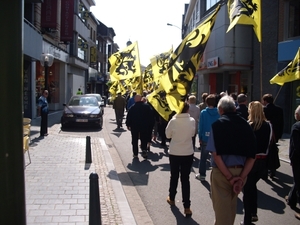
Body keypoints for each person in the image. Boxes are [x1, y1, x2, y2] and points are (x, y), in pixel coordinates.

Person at [206, 95, 256, 225]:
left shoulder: (217, 125)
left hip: (222, 173)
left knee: (222, 213)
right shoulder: (246, 125)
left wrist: (229, 177)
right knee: (231, 209)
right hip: (241, 172)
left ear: (221, 110)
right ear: (234, 109)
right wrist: (241, 177)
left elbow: (216, 155)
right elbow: (252, 157)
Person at [241, 101, 272, 225]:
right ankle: (253, 212)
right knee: (252, 187)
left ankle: (247, 218)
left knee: (248, 190)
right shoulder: (269, 125)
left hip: (250, 161)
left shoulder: (249, 125)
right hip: (263, 161)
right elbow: (270, 143)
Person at [165, 102, 195, 217]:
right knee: (185, 179)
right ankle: (187, 206)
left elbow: (168, 135)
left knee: (174, 176)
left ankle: (172, 197)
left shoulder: (173, 121)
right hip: (187, 152)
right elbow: (192, 133)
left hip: (175, 152)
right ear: (187, 110)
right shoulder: (191, 121)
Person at [195, 94, 220, 181]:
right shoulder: (218, 112)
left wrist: (200, 137)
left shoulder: (203, 113)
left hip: (205, 137)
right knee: (216, 158)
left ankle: (202, 174)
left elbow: (200, 126)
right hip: (216, 137)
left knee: (203, 158)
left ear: (206, 102)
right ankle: (215, 176)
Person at [261, 93, 284, 178]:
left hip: (266, 133)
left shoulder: (264, 110)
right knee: (273, 150)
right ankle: (273, 169)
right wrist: (279, 134)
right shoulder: (279, 109)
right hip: (276, 134)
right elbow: (282, 123)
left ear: (265, 101)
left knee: (266, 151)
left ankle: (265, 171)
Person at [126, 94, 155, 158]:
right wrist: (151, 125)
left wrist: (128, 124)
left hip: (134, 127)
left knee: (134, 140)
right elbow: (151, 117)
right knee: (144, 138)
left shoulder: (132, 108)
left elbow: (129, 117)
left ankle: (135, 153)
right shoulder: (147, 107)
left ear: (135, 100)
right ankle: (144, 150)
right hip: (144, 126)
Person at [285, 105, 300, 219]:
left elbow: (295, 145)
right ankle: (291, 199)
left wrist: (292, 158)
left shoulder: (296, 126)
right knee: (297, 180)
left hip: (298, 159)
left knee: (298, 180)